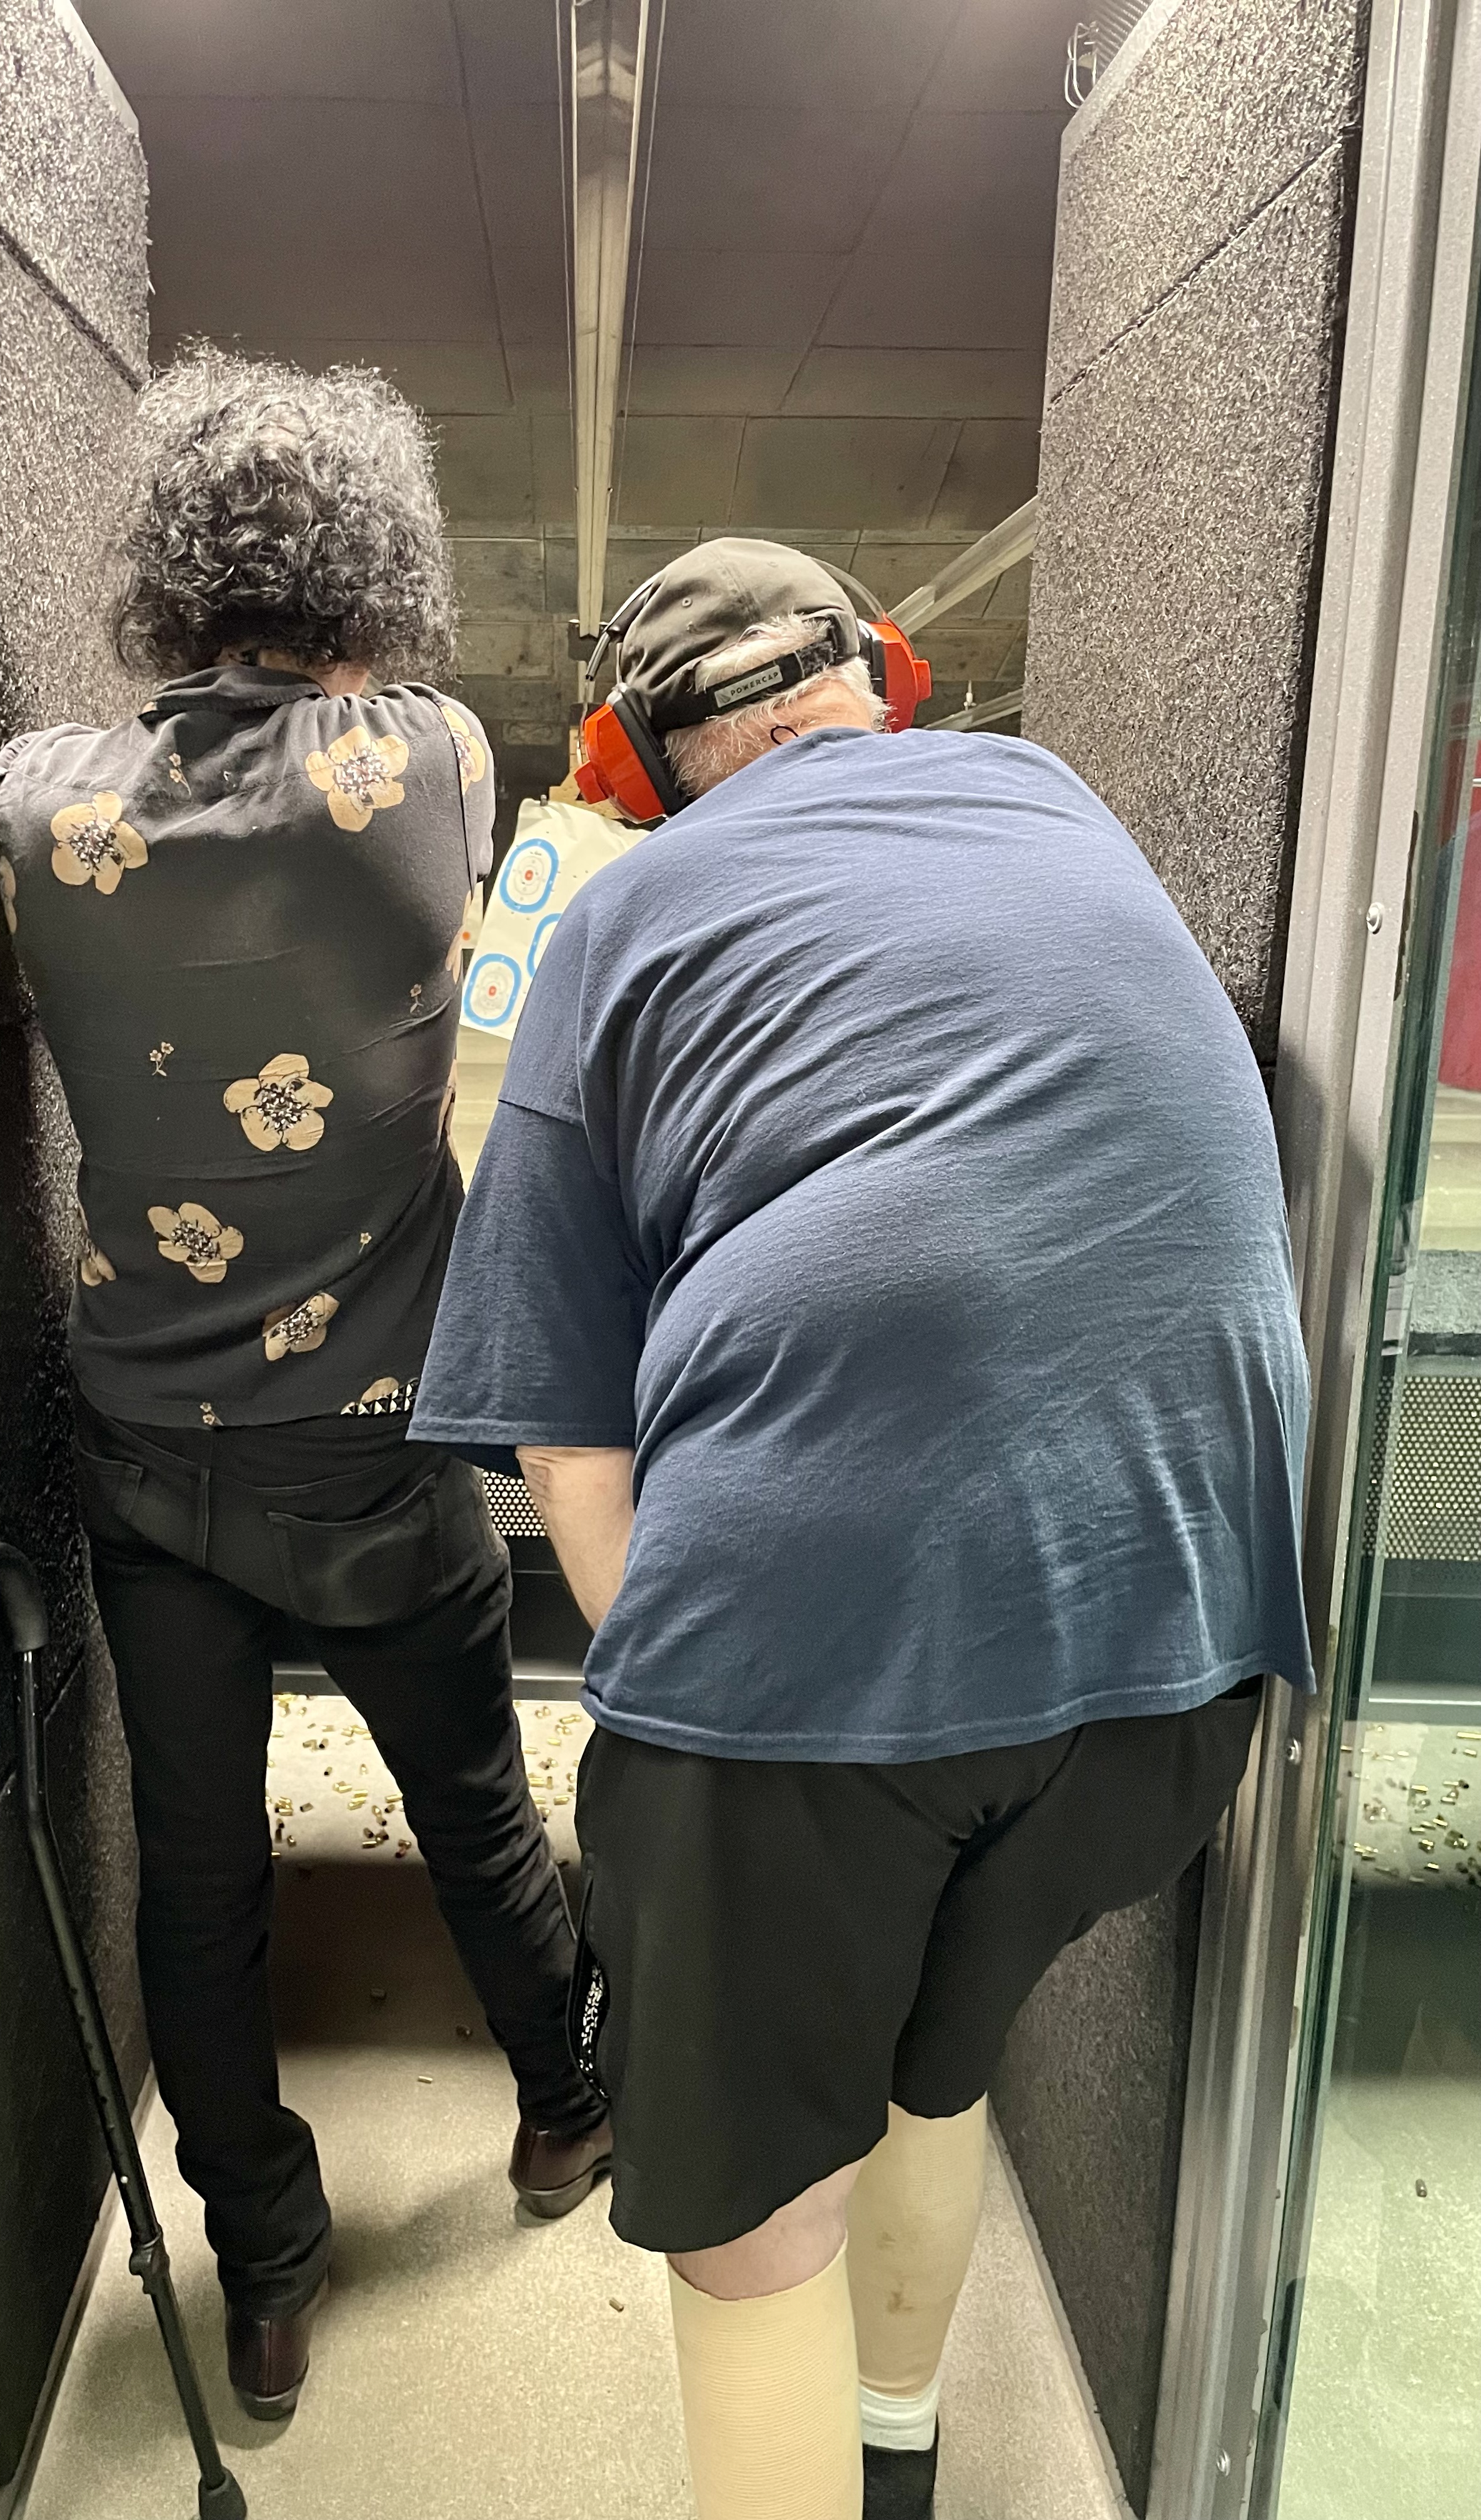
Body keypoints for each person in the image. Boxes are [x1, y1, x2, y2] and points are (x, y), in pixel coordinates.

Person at [411, 536, 1312, 2520]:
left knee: (750, 2210)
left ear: (627, 770)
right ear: (889, 680)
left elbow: (562, 1435)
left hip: (821, 1663)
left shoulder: (619, 914)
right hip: (1183, 1652)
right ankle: (900, 2460)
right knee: (929, 2057)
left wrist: (698, 1726)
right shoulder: (1062, 804)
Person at [0, 351, 608, 2424]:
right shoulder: (429, 763)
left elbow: (84, 780)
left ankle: (264, 2274)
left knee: (199, 1882)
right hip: (375, 1443)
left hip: (147, 1453)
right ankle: (562, 2109)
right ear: (374, 571)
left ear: (162, 571)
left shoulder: (38, 804)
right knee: (475, 1809)